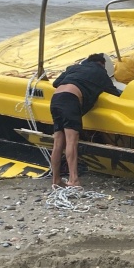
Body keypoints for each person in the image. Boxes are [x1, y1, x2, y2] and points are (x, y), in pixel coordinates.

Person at [49, 53, 121, 188]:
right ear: (102, 64)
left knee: (58, 142)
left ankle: (56, 180)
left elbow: (56, 83)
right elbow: (114, 92)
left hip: (56, 99)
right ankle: (73, 180)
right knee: (71, 141)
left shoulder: (73, 68)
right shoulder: (100, 72)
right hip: (70, 99)